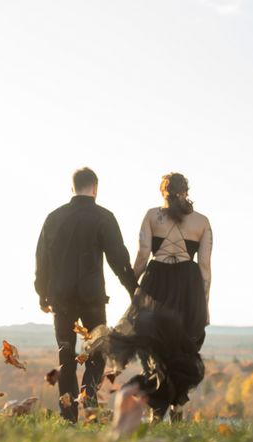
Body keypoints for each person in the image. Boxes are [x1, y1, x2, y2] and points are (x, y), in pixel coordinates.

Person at [97, 172, 212, 422]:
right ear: (186, 191)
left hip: (157, 281)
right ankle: (177, 407)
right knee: (184, 348)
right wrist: (205, 304)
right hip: (188, 286)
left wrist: (132, 284)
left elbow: (143, 254)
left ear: (163, 191)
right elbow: (204, 267)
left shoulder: (152, 216)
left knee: (152, 343)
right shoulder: (202, 222)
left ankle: (156, 412)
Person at [35, 167, 139, 423]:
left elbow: (42, 259)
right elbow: (119, 259)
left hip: (61, 297)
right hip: (92, 297)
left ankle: (69, 416)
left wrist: (42, 293)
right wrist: (133, 291)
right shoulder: (103, 217)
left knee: (66, 355)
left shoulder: (54, 218)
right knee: (97, 353)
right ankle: (89, 400)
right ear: (95, 188)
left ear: (72, 188)